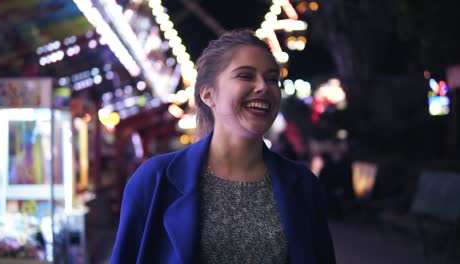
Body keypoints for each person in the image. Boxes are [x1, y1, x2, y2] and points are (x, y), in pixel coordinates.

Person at [111, 29, 335, 264]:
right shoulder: (154, 180)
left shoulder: (303, 184)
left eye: (271, 79)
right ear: (208, 95)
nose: (263, 87)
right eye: (246, 76)